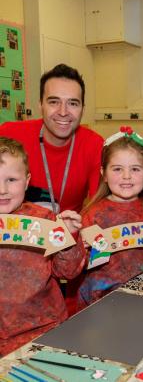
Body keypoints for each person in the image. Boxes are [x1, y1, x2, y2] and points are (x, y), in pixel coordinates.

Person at [0, 137, 85, 357]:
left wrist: (67, 236)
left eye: (11, 179)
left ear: (27, 181)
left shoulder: (45, 219)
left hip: (43, 330)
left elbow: (68, 271)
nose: (2, 189)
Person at [75, 127, 143, 311]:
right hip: (99, 307)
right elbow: (75, 266)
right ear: (104, 173)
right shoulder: (92, 215)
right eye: (117, 169)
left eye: (135, 169)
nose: (126, 176)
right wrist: (80, 250)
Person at [0, 63, 103, 213]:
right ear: (40, 105)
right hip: (15, 232)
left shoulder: (95, 146)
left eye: (73, 103)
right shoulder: (9, 133)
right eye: (54, 102)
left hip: (69, 233)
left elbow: (100, 208)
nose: (63, 112)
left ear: (82, 109)